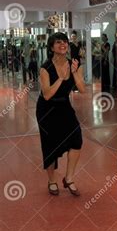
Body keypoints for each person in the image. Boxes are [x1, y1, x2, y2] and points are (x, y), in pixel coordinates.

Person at [36, 32, 86, 196]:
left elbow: (83, 89)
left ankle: (69, 178)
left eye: (64, 42)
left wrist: (74, 73)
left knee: (76, 139)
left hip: (64, 105)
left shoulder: (75, 64)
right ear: (51, 47)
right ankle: (52, 181)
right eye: (58, 42)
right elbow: (47, 95)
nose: (63, 44)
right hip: (46, 109)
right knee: (50, 145)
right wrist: (62, 78)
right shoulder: (45, 67)